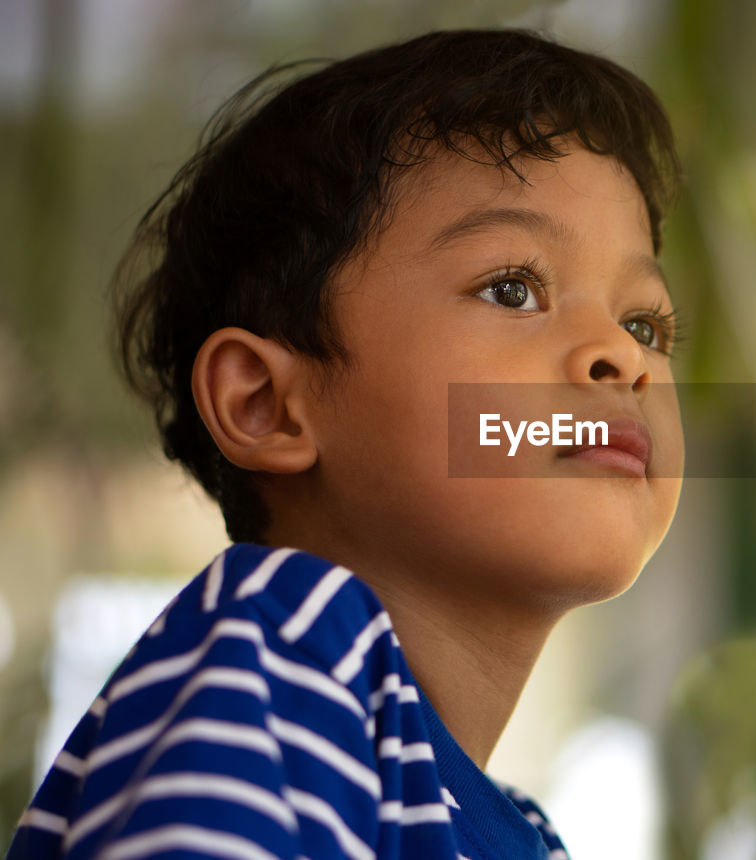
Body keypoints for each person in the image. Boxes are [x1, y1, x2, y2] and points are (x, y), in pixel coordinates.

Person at [7, 28, 684, 860]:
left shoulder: (522, 833)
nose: (622, 356)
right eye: (513, 288)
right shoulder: (282, 661)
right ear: (266, 405)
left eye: (646, 323)